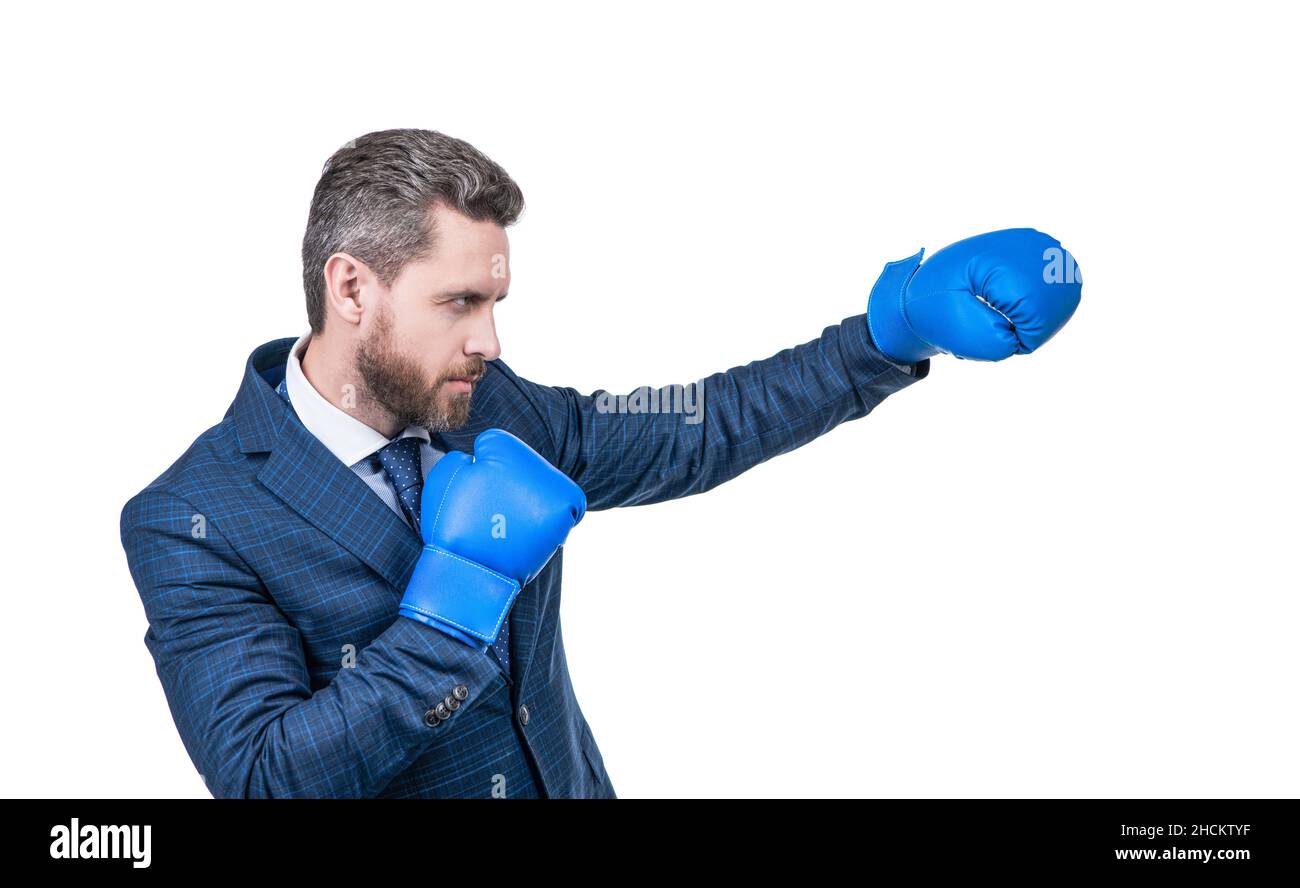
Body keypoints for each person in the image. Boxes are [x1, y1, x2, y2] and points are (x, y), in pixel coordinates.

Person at [119, 128, 1080, 798]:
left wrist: (880, 336)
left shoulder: (485, 404)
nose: (490, 340)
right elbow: (266, 777)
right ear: (351, 287)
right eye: (459, 303)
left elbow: (688, 427)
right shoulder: (190, 516)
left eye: (496, 303)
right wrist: (453, 602)